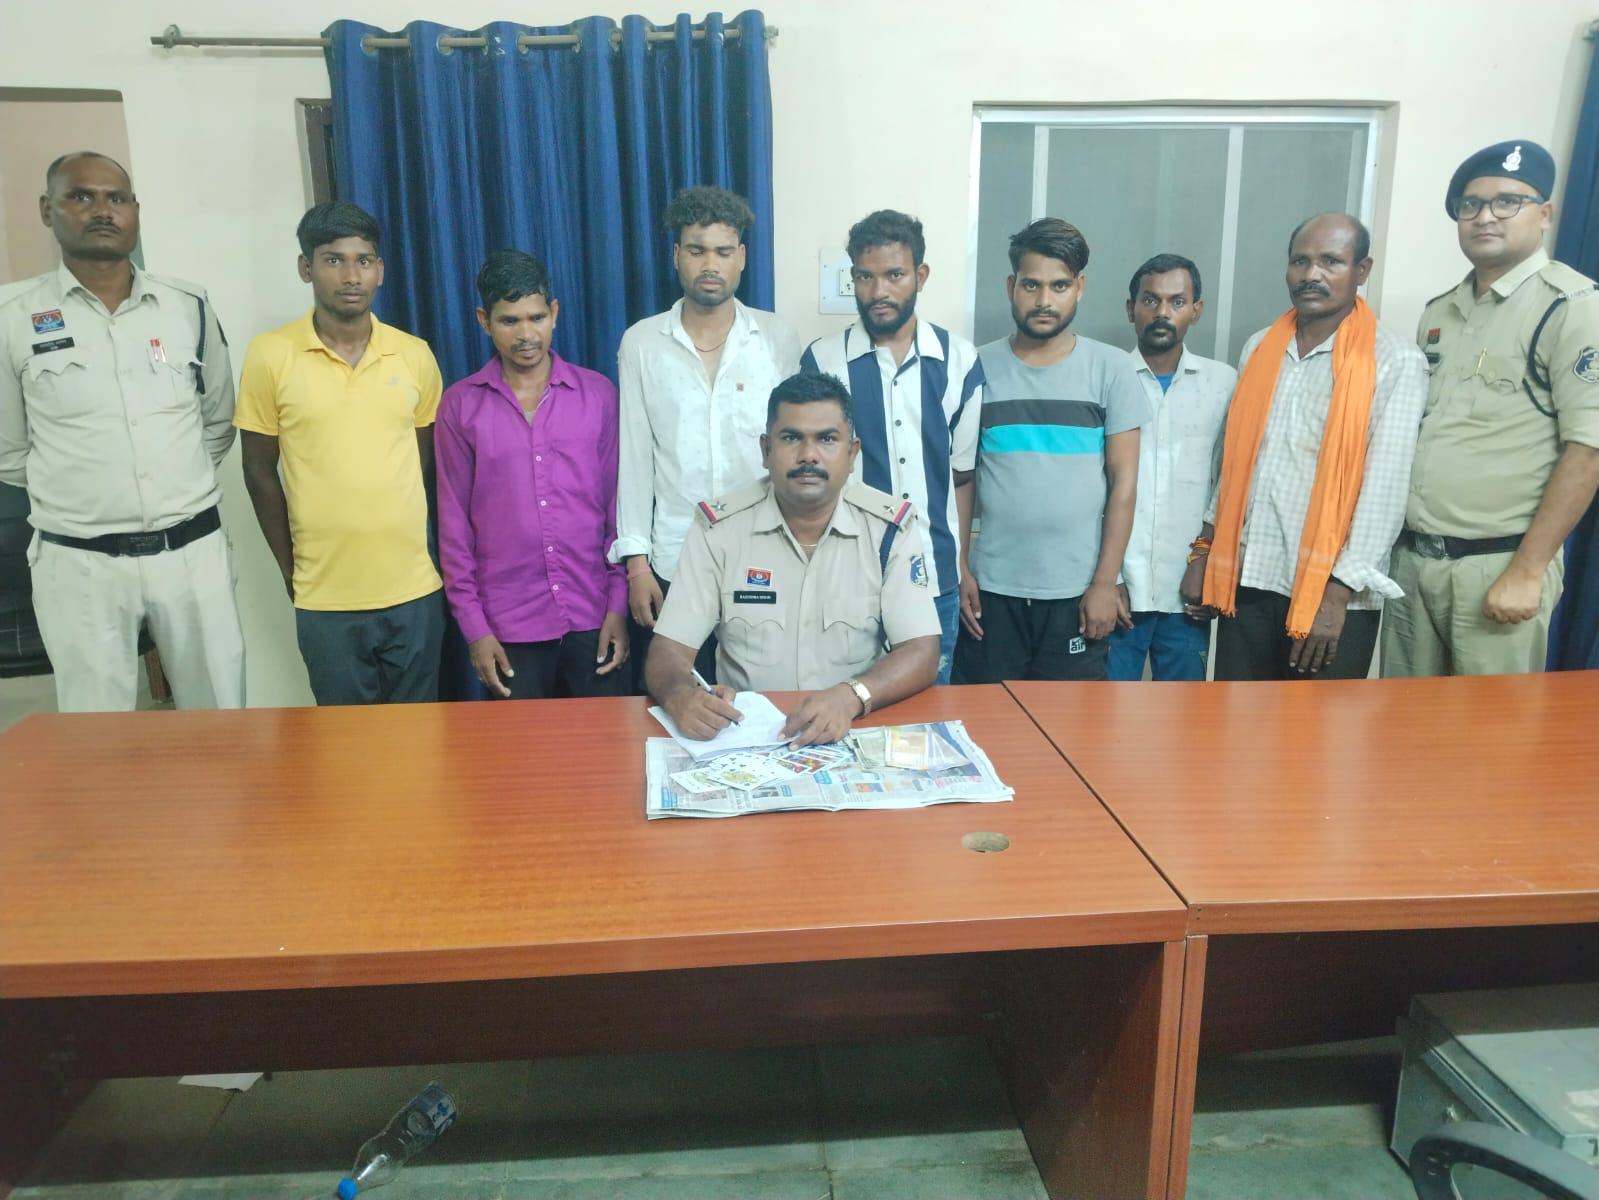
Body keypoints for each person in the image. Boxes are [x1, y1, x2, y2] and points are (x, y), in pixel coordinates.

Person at [0, 151, 244, 711]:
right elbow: (9, 451)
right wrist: (90, 494)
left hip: (191, 552)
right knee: (95, 729)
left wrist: (172, 485)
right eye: (80, 196)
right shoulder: (12, 317)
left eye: (116, 198)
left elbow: (216, 420)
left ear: (135, 210)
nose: (102, 210)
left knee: (221, 717)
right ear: (47, 210)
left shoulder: (187, 305)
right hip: (80, 562)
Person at [1383, 140, 1599, 677]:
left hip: (1498, 565)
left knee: (1489, 730)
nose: (1485, 217)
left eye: (1507, 202)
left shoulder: (1572, 308)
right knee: (1405, 723)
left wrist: (1528, 570)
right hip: (1413, 566)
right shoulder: (1440, 313)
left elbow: (1589, 450)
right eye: (1471, 205)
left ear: (1544, 214)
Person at [646, 372, 940, 747]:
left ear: (852, 454)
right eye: (791, 438)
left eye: (827, 439)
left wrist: (852, 696)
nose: (808, 455)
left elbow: (921, 651)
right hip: (746, 739)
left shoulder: (888, 530)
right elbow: (669, 650)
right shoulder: (718, 530)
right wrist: (680, 696)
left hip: (853, 728)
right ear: (766, 451)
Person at [235, 201, 445, 705]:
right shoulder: (270, 355)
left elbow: (425, 464)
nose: (351, 276)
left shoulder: (413, 354)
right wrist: (291, 570)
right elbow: (258, 472)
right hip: (325, 597)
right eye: (333, 260)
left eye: (363, 260)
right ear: (306, 267)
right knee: (343, 741)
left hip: (414, 590)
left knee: (418, 737)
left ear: (380, 270)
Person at [1200, 213, 1427, 680]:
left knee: (1316, 726)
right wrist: (1206, 547)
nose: (1311, 274)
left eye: (1331, 262)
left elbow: (1384, 490)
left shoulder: (1395, 360)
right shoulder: (1261, 347)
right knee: (1235, 721)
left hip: (1332, 593)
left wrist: (1337, 595)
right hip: (1249, 578)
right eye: (1300, 261)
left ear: (1361, 270)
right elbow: (1236, 463)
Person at [612, 186, 801, 688]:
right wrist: (637, 565)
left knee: (762, 698)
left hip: (765, 553)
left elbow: (793, 452)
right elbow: (635, 458)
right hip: (674, 557)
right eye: (697, 250)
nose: (710, 264)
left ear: (742, 258)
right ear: (677, 255)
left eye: (722, 251)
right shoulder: (642, 342)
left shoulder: (778, 338)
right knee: (675, 700)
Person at [953, 218, 1145, 683]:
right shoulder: (975, 367)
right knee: (990, 717)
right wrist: (960, 569)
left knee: (1070, 720)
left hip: (1076, 594)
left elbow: (1124, 485)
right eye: (1031, 285)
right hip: (992, 592)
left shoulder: (1111, 369)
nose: (1044, 300)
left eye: (1059, 286)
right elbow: (962, 477)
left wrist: (1105, 582)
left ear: (1079, 288)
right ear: (1011, 286)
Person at [800, 209, 983, 684]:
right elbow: (807, 476)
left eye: (894, 275)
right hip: (846, 579)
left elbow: (961, 476)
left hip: (935, 580)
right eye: (865, 276)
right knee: (840, 709)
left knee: (927, 713)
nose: (878, 291)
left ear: (921, 275)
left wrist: (960, 565)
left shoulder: (961, 361)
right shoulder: (823, 359)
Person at [434, 250, 628, 699]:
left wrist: (618, 606)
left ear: (554, 313)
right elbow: (453, 527)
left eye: (536, 317)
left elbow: (619, 509)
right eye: (509, 321)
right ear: (484, 321)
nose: (525, 334)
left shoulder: (598, 395)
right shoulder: (461, 406)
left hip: (594, 615)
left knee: (605, 742)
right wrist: (475, 629)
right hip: (507, 627)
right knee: (519, 745)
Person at [1106, 254, 1236, 681]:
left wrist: (1207, 563)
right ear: (1131, 308)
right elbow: (1090, 486)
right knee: (1102, 712)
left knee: (1182, 715)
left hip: (1188, 589)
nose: (1162, 312)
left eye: (1177, 302)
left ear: (1196, 310)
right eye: (1150, 300)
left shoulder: (1223, 384)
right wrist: (1106, 578)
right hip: (1117, 588)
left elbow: (1229, 486)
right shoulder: (1106, 377)